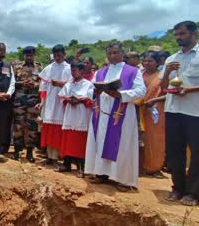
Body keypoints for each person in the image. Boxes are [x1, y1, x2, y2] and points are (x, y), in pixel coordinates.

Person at [85, 41, 146, 192]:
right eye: (109, 53)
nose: (112, 56)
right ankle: (101, 173)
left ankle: (123, 179)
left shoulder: (132, 71)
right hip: (102, 113)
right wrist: (95, 92)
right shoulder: (100, 72)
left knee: (122, 145)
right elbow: (89, 89)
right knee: (100, 142)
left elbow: (141, 91)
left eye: (116, 53)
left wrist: (121, 94)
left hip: (121, 115)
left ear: (122, 53)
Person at [160, 21, 199, 206]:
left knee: (197, 153)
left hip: (195, 111)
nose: (178, 37)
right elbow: (163, 86)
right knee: (175, 152)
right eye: (176, 34)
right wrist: (166, 73)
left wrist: (189, 89)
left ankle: (193, 193)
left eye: (182, 34)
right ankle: (177, 188)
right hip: (173, 109)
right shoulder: (170, 59)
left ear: (194, 33)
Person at [57, 62, 94, 177]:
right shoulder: (68, 85)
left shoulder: (88, 84)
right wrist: (68, 100)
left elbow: (91, 100)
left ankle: (81, 168)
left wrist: (80, 100)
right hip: (70, 115)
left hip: (81, 116)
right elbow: (62, 98)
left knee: (80, 143)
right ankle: (66, 164)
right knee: (68, 140)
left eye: (75, 70)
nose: (73, 73)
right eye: (72, 70)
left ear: (82, 71)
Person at [37, 44, 72, 166]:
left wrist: (61, 84)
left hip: (61, 103)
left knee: (58, 131)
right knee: (48, 130)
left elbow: (73, 85)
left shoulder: (69, 68)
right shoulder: (48, 68)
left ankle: (56, 157)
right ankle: (49, 156)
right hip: (49, 102)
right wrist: (42, 102)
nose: (57, 58)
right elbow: (43, 88)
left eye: (60, 55)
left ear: (64, 54)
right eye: (55, 55)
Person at [135, 52, 166, 178]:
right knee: (138, 139)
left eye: (150, 61)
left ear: (158, 62)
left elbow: (169, 93)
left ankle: (154, 167)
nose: (147, 63)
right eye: (145, 61)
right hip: (138, 110)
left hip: (155, 112)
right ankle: (139, 166)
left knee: (155, 139)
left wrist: (154, 101)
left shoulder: (162, 77)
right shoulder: (139, 75)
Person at [12, 46, 42, 162]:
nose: (29, 57)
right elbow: (12, 83)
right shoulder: (17, 66)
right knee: (18, 126)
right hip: (19, 101)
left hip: (33, 102)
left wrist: (34, 85)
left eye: (31, 55)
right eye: (27, 55)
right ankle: (17, 151)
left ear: (34, 55)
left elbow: (43, 84)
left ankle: (29, 152)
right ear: (24, 56)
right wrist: (22, 84)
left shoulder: (39, 67)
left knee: (32, 127)